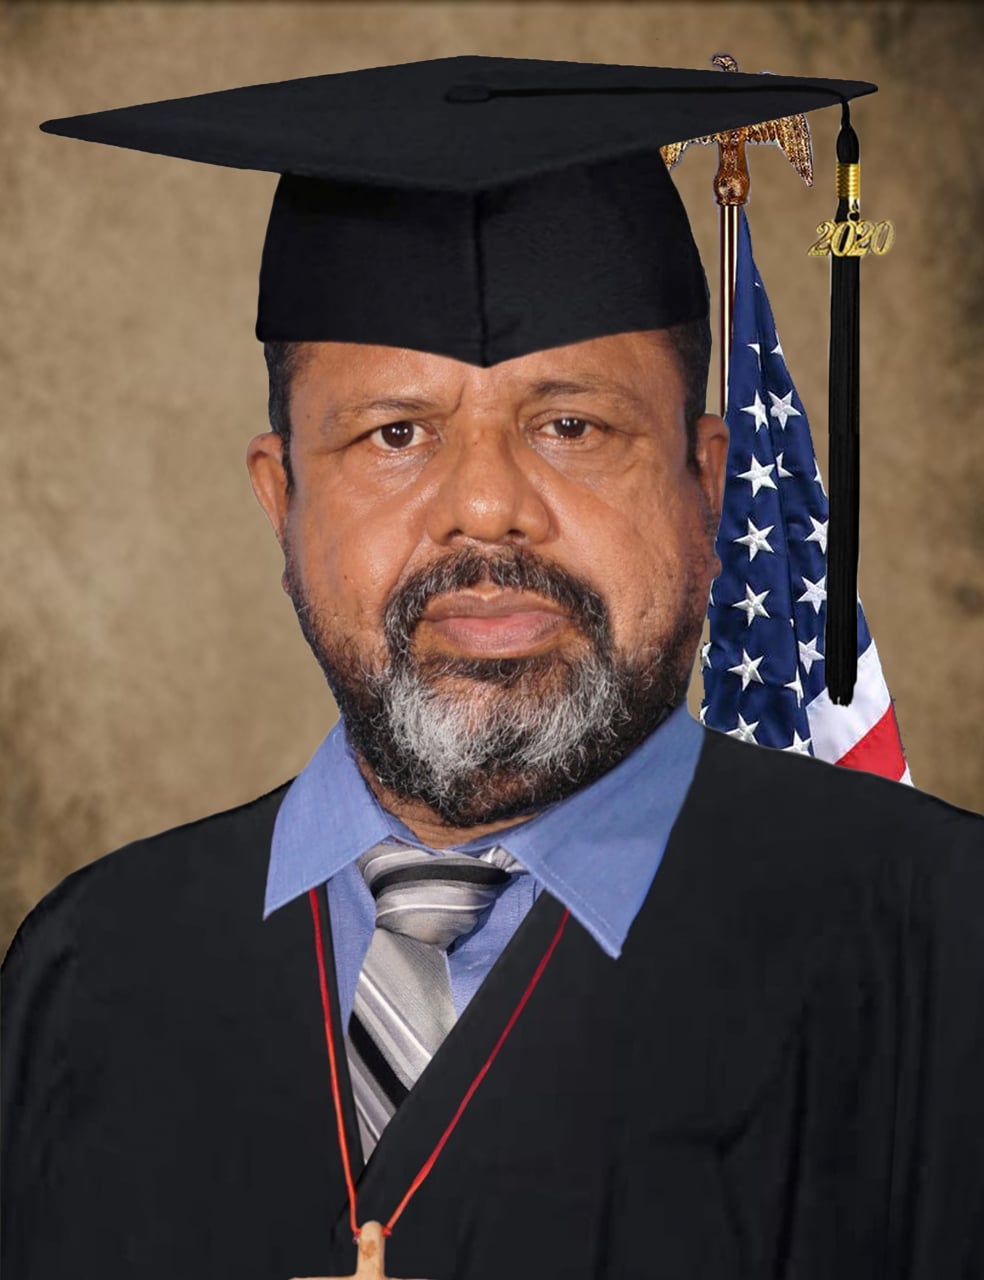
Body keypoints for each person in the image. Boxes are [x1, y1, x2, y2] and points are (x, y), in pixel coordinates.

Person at [3, 56, 983, 1280]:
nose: (483, 506)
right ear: (280, 497)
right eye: (395, 434)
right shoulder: (90, 970)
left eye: (572, 426)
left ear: (709, 484)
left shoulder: (940, 944)